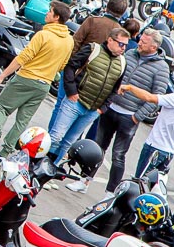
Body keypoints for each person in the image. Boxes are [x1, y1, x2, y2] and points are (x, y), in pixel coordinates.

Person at [0, 1, 74, 153]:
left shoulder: (43, 35)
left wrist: (1, 77)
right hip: (44, 86)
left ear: (56, 17)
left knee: (2, 106)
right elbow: (62, 66)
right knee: (23, 120)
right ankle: (5, 152)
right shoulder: (69, 41)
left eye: (50, 11)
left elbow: (23, 58)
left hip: (25, 78)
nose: (46, 13)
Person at [50, 26, 130, 181]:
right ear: (110, 40)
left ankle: (52, 169)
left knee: (68, 142)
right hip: (75, 103)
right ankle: (42, 166)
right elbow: (70, 66)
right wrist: (71, 91)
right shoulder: (93, 49)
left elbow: (115, 88)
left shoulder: (122, 62)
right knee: (56, 136)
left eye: (126, 45)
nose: (123, 48)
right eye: (121, 44)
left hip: (93, 110)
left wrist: (103, 108)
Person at [98, 29, 171, 188]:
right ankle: (84, 180)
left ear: (153, 47)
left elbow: (157, 98)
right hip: (110, 108)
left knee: (118, 156)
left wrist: (137, 117)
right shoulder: (130, 54)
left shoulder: (161, 68)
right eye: (140, 39)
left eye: (144, 42)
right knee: (98, 148)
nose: (139, 43)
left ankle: (111, 191)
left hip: (128, 117)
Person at [123, 65, 174, 180]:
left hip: (155, 147)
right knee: (153, 184)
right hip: (169, 152)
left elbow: (150, 98)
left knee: (140, 181)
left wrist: (130, 87)